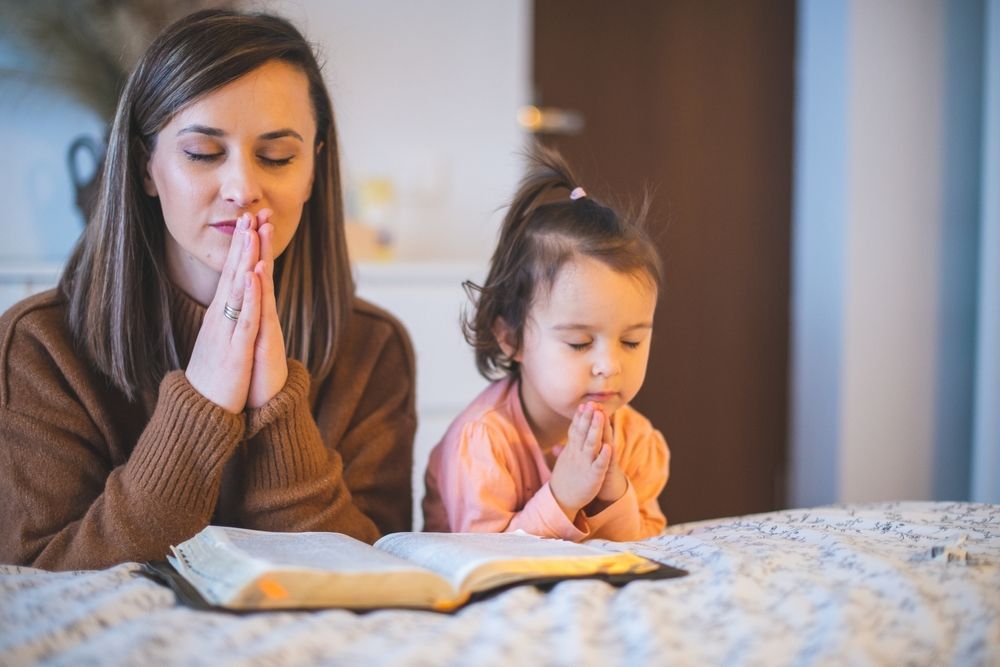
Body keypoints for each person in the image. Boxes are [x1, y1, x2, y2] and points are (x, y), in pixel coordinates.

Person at [0, 10, 416, 570]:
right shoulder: (38, 348)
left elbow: (379, 577)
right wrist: (201, 407)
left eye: (277, 157)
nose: (243, 188)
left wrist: (277, 409)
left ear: (315, 170)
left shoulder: (374, 351)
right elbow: (37, 587)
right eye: (202, 153)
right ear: (147, 167)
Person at [422, 147, 669, 542]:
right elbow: (482, 559)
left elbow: (650, 546)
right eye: (578, 343)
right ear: (511, 338)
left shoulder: (634, 439)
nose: (610, 364)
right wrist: (562, 497)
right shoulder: (484, 442)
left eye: (631, 340)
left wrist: (612, 496)